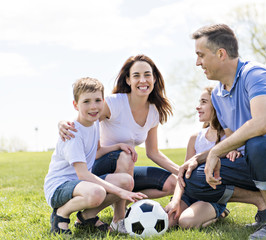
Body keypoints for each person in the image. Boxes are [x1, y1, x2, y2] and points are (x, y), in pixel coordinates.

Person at [178, 24, 266, 239]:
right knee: (195, 177)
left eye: (201, 55)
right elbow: (233, 140)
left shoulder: (255, 74)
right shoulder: (217, 94)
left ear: (221, 54)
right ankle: (263, 205)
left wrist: (214, 152)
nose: (198, 62)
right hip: (254, 160)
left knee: (258, 143)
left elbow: (262, 124)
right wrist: (199, 158)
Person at [58, 55, 179, 232]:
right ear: (128, 80)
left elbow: (153, 152)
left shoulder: (154, 112)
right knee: (127, 155)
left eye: (147, 74)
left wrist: (181, 171)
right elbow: (84, 117)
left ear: (154, 78)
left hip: (125, 171)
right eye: (136, 75)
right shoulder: (114, 103)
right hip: (98, 168)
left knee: (172, 184)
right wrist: (62, 123)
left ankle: (88, 215)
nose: (142, 80)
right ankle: (119, 218)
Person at [44, 77, 146, 235]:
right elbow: (83, 174)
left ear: (103, 101)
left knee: (126, 181)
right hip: (59, 188)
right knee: (98, 192)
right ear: (75, 105)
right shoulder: (73, 133)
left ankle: (86, 217)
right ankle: (61, 213)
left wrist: (118, 146)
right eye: (86, 102)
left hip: (80, 184)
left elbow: (96, 152)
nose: (93, 106)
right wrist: (120, 193)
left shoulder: (94, 124)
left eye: (97, 100)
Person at [165, 87, 233, 229]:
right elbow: (182, 174)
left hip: (210, 197)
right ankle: (191, 209)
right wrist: (176, 201)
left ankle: (219, 213)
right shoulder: (195, 138)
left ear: (217, 106)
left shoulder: (230, 139)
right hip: (189, 194)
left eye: (203, 102)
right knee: (168, 222)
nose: (198, 106)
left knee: (186, 222)